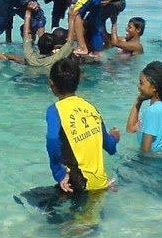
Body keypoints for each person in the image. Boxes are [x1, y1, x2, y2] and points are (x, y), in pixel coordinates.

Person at [45, 57, 119, 194]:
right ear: (78, 81)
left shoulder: (55, 110)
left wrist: (59, 172)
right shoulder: (91, 108)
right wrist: (114, 138)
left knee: (26, 199)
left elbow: (52, 139)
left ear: (51, 84)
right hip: (100, 183)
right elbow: (110, 147)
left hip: (79, 185)